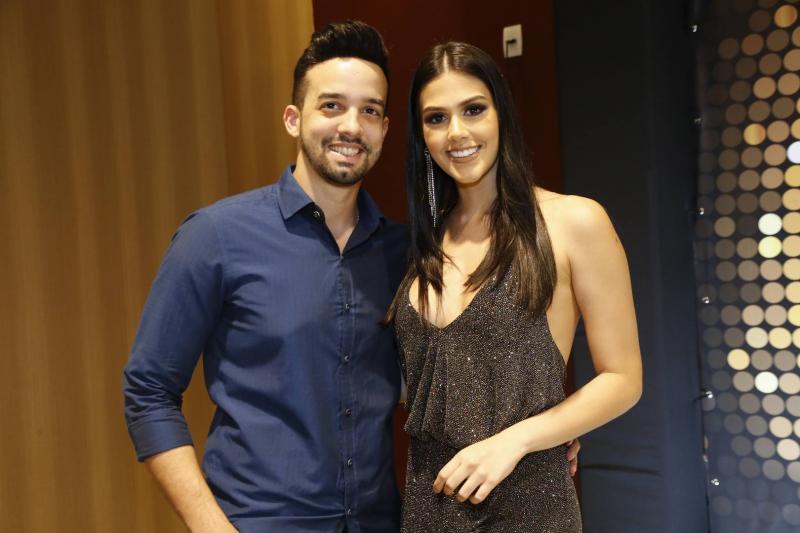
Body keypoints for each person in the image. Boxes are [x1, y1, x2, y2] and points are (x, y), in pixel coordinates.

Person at [122, 21, 406, 533]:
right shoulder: (215, 236)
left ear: (384, 129)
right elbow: (148, 391)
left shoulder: (401, 253)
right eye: (332, 105)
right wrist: (209, 526)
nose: (351, 126)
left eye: (370, 111)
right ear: (294, 119)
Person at [388, 42, 642, 532]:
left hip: (528, 508)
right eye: (436, 118)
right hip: (426, 508)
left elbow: (623, 378)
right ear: (421, 135)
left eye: (473, 110)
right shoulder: (424, 243)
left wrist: (520, 439)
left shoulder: (572, 222)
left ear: (501, 113)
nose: (456, 132)